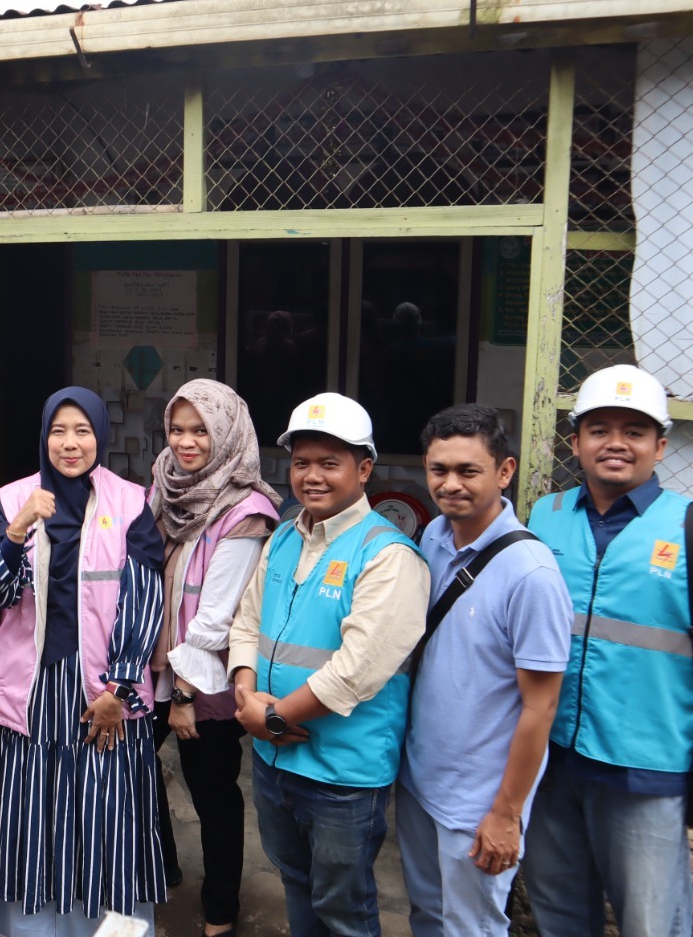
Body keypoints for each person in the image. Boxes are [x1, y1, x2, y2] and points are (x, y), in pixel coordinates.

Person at [522, 366, 693, 937]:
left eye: (635, 431)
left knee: (650, 924)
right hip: (549, 761)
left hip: (645, 768)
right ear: (575, 442)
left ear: (661, 446)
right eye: (600, 429)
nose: (616, 443)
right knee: (557, 916)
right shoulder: (546, 516)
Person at [0, 387, 167, 934]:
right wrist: (16, 529)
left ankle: (109, 929)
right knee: (31, 815)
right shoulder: (13, 499)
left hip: (103, 691)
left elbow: (144, 599)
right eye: (58, 431)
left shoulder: (129, 503)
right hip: (29, 690)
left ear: (100, 435)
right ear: (44, 437)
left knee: (106, 817)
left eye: (82, 431)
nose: (70, 443)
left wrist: (119, 689)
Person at [228, 392, 429, 937]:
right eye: (301, 462)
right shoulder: (284, 538)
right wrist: (247, 697)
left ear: (363, 469)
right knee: (295, 881)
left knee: (342, 907)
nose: (311, 476)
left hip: (341, 774)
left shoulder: (388, 555)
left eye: (329, 463)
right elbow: (246, 624)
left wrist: (269, 718)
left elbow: (357, 669)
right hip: (274, 759)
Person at [400, 404, 571, 937]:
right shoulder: (432, 538)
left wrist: (506, 813)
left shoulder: (531, 574)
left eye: (468, 471)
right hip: (420, 779)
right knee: (427, 916)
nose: (450, 484)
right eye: (439, 469)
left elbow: (541, 705)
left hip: (478, 802)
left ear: (504, 471)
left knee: (471, 926)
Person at [149, 381, 281, 937]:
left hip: (202, 681)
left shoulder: (245, 510)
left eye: (201, 430)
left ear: (226, 434)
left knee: (213, 795)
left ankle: (221, 910)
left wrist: (184, 695)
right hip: (152, 668)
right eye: (177, 429)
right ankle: (161, 867)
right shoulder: (164, 486)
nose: (186, 442)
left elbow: (217, 615)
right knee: (134, 771)